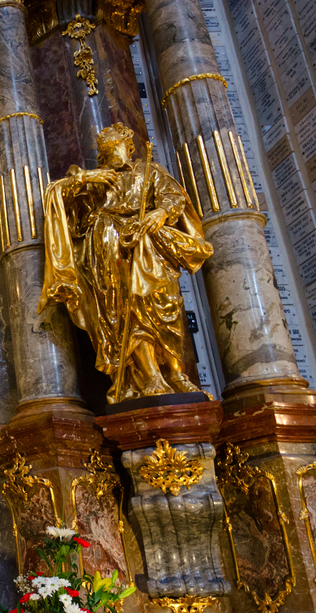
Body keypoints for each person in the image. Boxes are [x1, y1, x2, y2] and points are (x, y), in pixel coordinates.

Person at [39, 123, 213, 403]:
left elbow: (174, 196)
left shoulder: (150, 171)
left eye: (116, 148)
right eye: (105, 152)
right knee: (124, 315)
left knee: (165, 304)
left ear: (129, 147)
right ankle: (150, 376)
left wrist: (160, 211)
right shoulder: (97, 179)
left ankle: (176, 372)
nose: (112, 156)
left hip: (149, 245)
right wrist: (85, 178)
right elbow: (55, 195)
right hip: (109, 250)